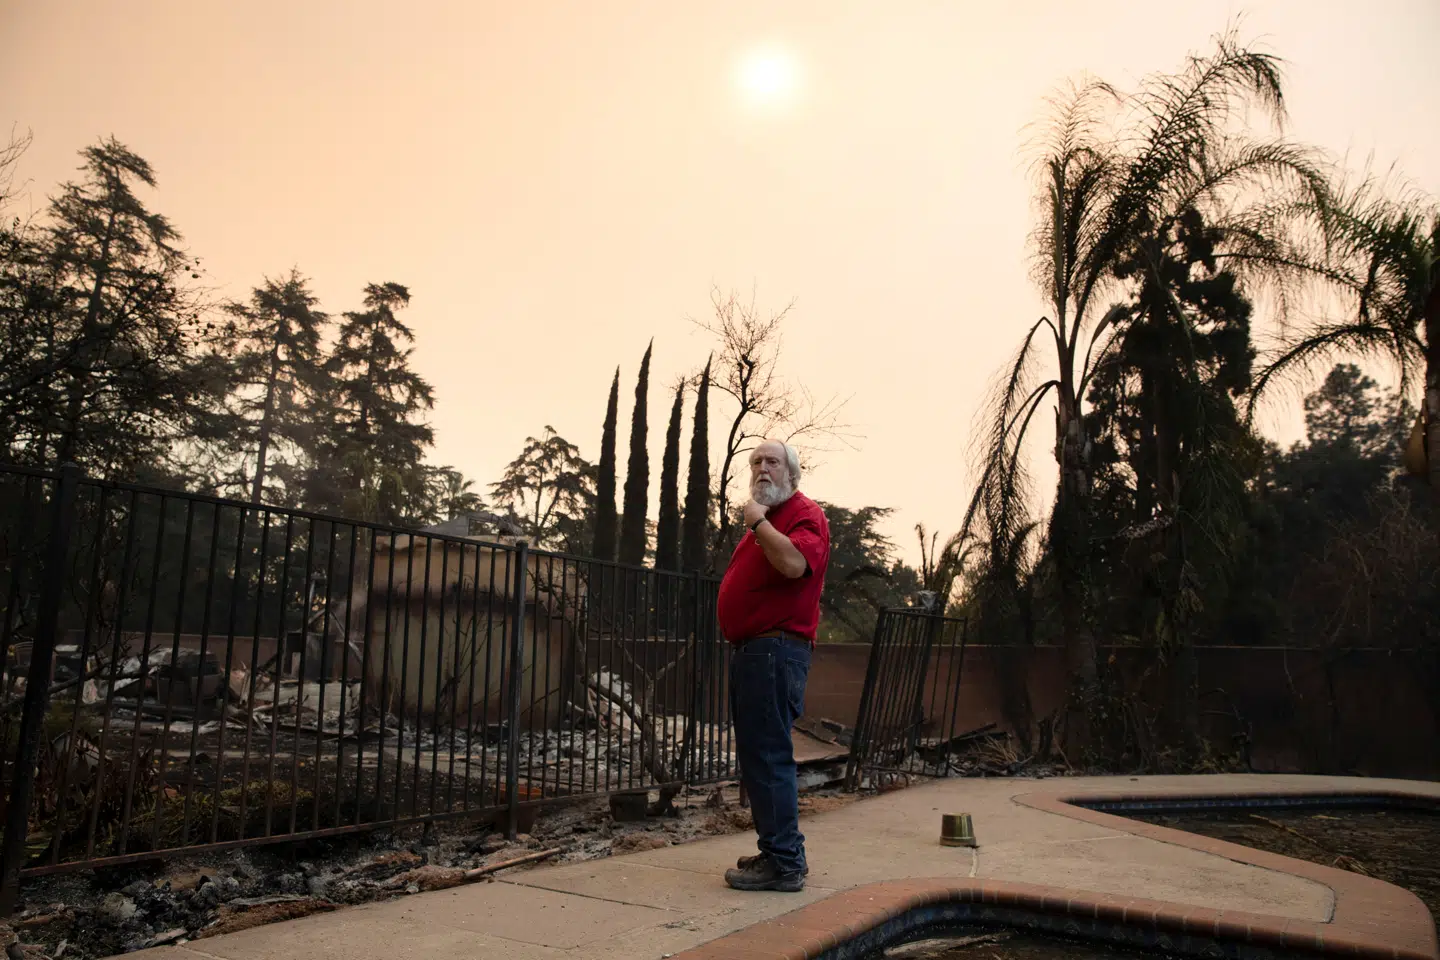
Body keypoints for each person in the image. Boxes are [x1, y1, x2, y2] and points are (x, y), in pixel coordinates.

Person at [716, 439, 830, 892]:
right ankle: (777, 849)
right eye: (756, 462)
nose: (763, 469)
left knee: (768, 757)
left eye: (773, 462)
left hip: (774, 651)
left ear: (792, 474)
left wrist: (758, 522)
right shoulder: (769, 521)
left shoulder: (803, 514)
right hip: (757, 651)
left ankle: (784, 864)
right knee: (758, 758)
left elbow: (794, 563)